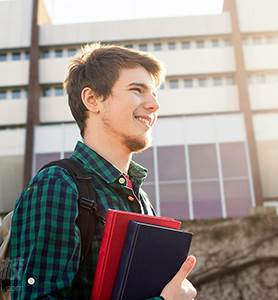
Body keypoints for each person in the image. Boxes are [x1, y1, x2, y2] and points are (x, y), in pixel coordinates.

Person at [10, 44, 197, 299]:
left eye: (153, 93)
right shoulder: (58, 184)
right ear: (92, 99)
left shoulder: (142, 199)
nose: (154, 104)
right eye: (137, 90)